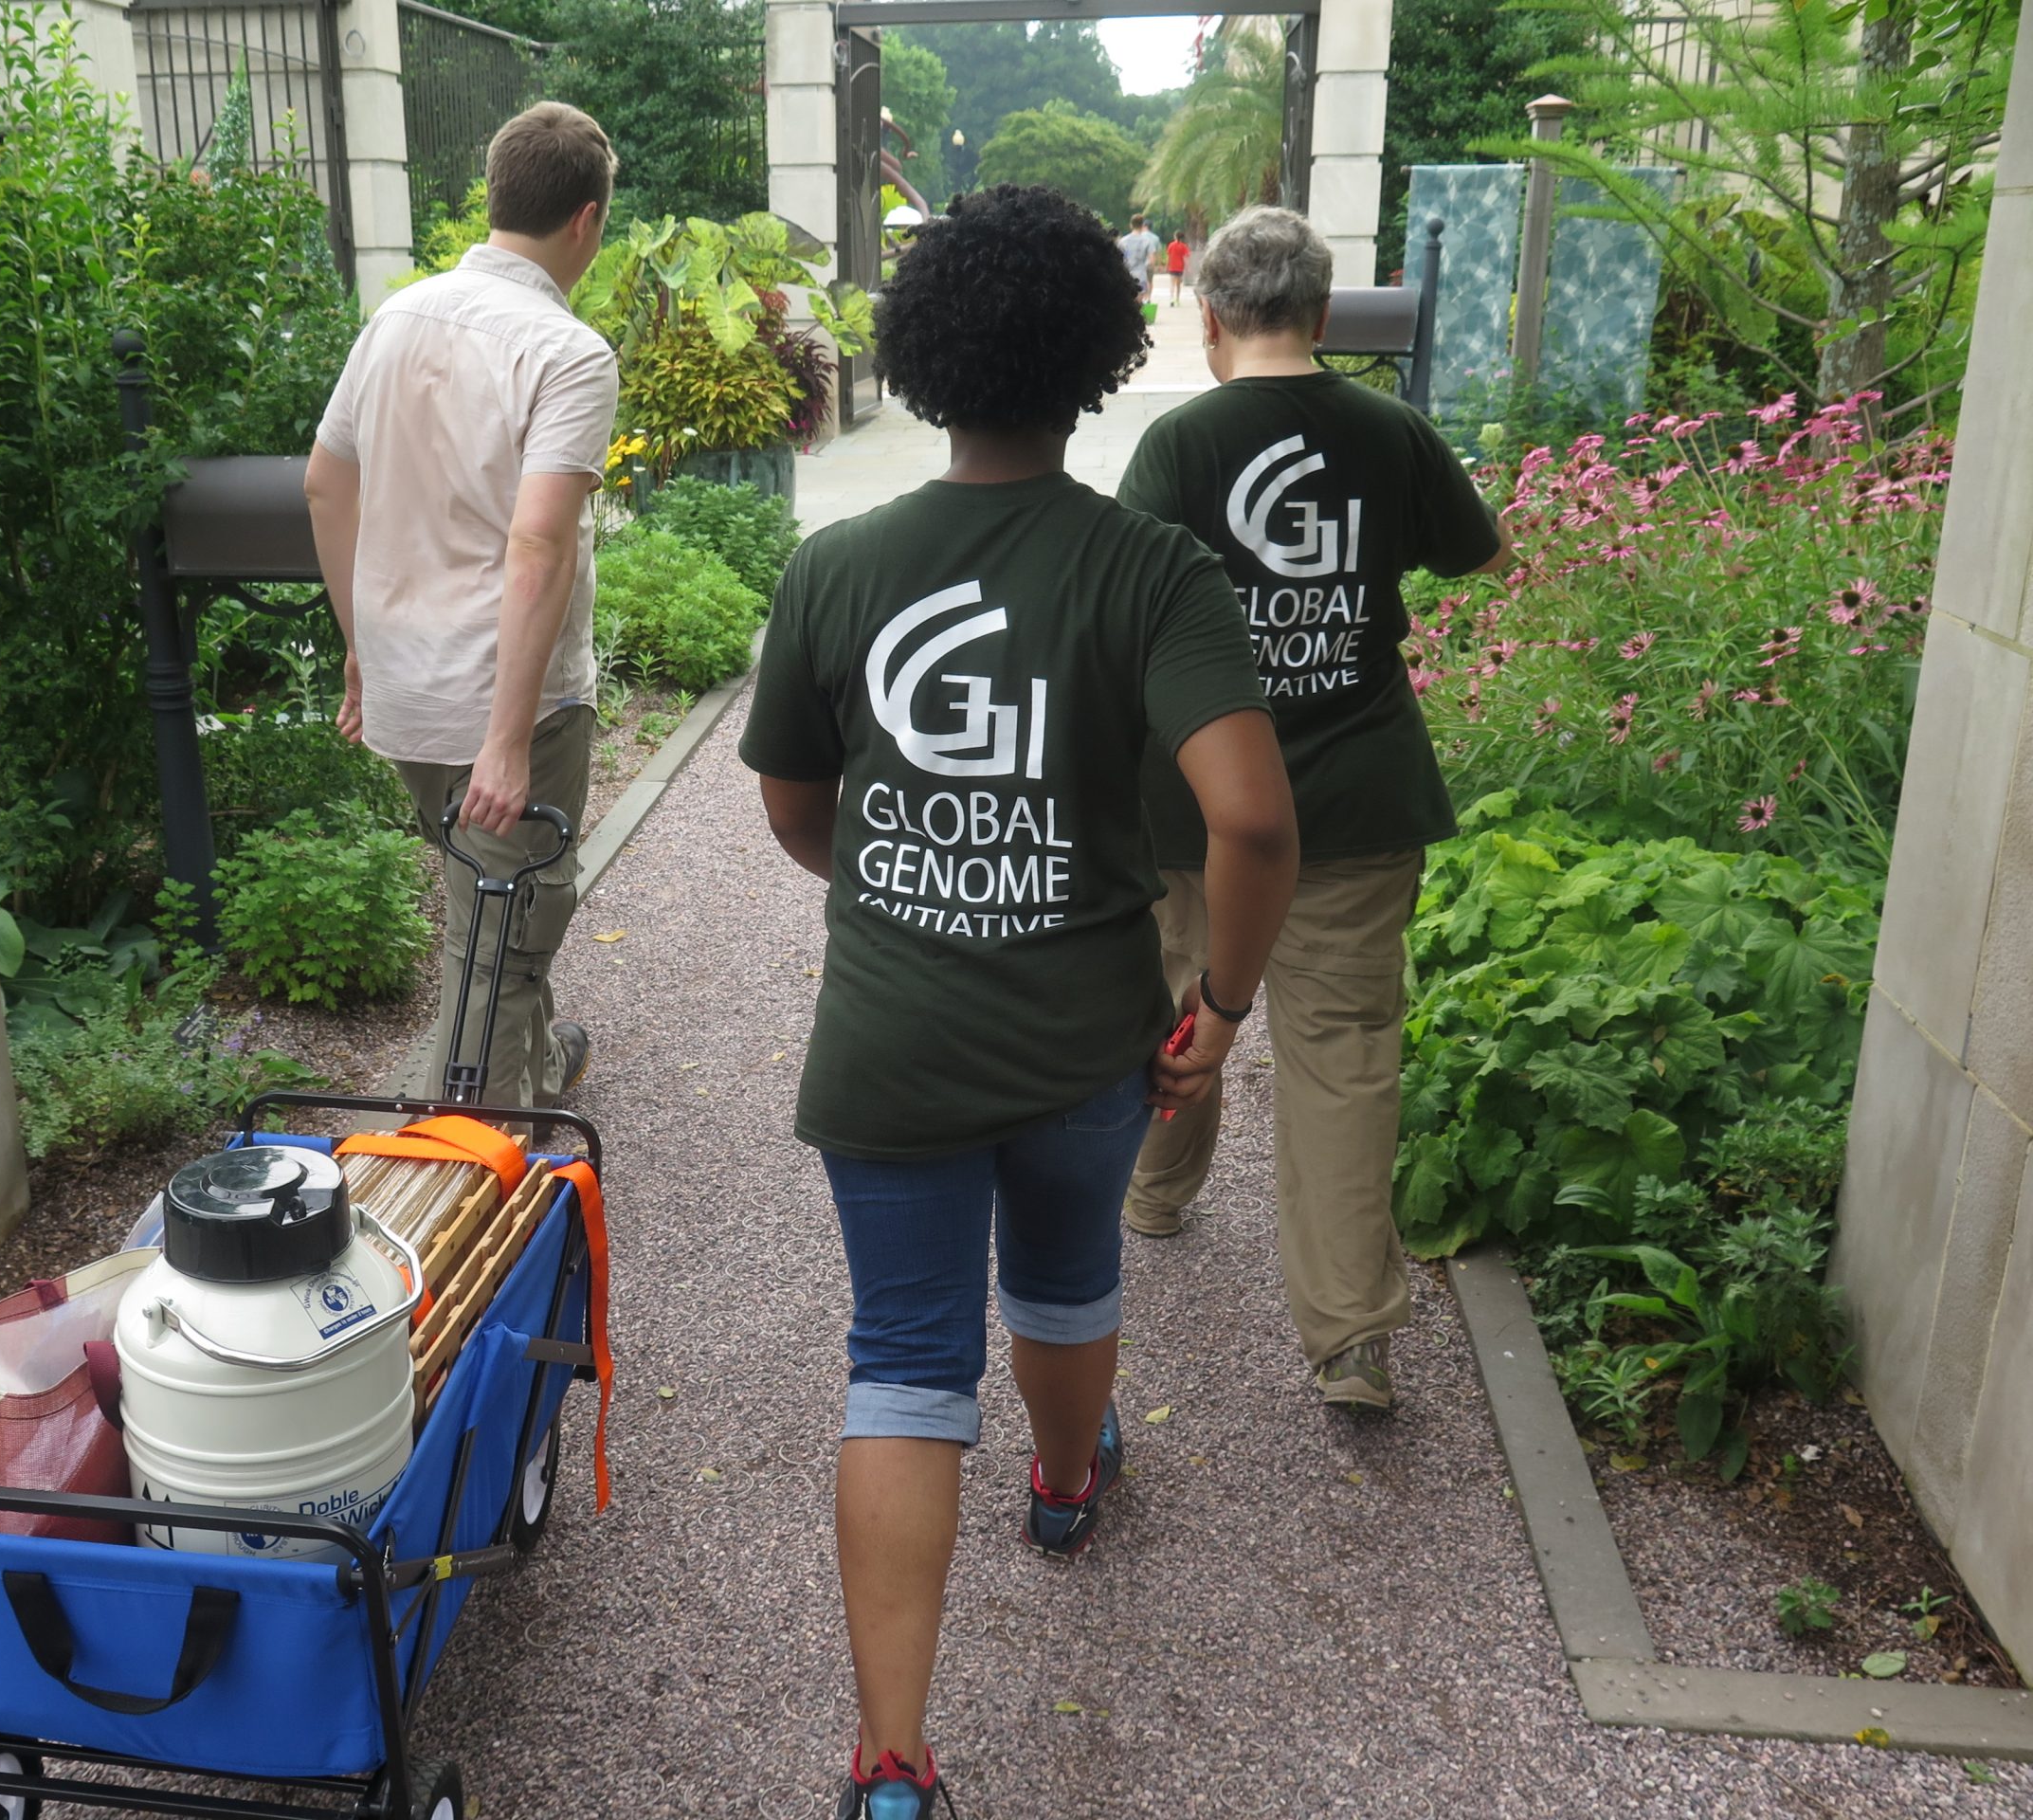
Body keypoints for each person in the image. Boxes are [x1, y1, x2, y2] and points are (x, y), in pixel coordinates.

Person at [739, 185, 1298, 1819]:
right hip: (1085, 1033)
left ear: (920, 362)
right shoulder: (1153, 572)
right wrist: (1223, 1010)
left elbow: (789, 805)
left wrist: (894, 874)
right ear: (1097, 358)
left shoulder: (838, 565)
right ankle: (1063, 1486)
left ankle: (894, 1764)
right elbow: (1253, 821)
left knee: (903, 1361)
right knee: (1064, 1266)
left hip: (889, 1042)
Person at [1117, 206, 1511, 1410]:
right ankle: (1349, 1338)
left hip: (1193, 803)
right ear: (1326, 316)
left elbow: (1125, 617)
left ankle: (1156, 1194)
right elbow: (1478, 557)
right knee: (1343, 1057)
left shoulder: (1179, 447)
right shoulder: (1389, 429)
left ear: (1211, 315)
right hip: (1359, 795)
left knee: (1182, 993)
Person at [306, 103, 620, 1107]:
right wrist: (509, 737)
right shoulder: (568, 353)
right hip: (507, 693)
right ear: (586, 219)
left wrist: (360, 649)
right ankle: (488, 1176)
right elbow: (538, 540)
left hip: (404, 677)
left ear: (494, 196)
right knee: (493, 953)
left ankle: (534, 1060)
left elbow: (324, 482)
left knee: (490, 909)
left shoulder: (397, 316)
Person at [1117, 211, 1160, 303]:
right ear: (1142, 225)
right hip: (1141, 276)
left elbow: (1117, 259)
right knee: (1139, 302)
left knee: (1127, 302)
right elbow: (1152, 261)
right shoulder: (1147, 241)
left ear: (1131, 225)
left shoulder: (1123, 241)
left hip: (1125, 275)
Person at [1166, 228, 1190, 304]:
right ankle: (1178, 299)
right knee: (1178, 284)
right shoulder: (1184, 246)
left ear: (1175, 236)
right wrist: (1188, 267)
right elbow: (1185, 258)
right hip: (1180, 267)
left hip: (1172, 267)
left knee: (1172, 283)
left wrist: (1167, 265)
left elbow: (1169, 256)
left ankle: (1171, 299)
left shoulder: (1171, 245)